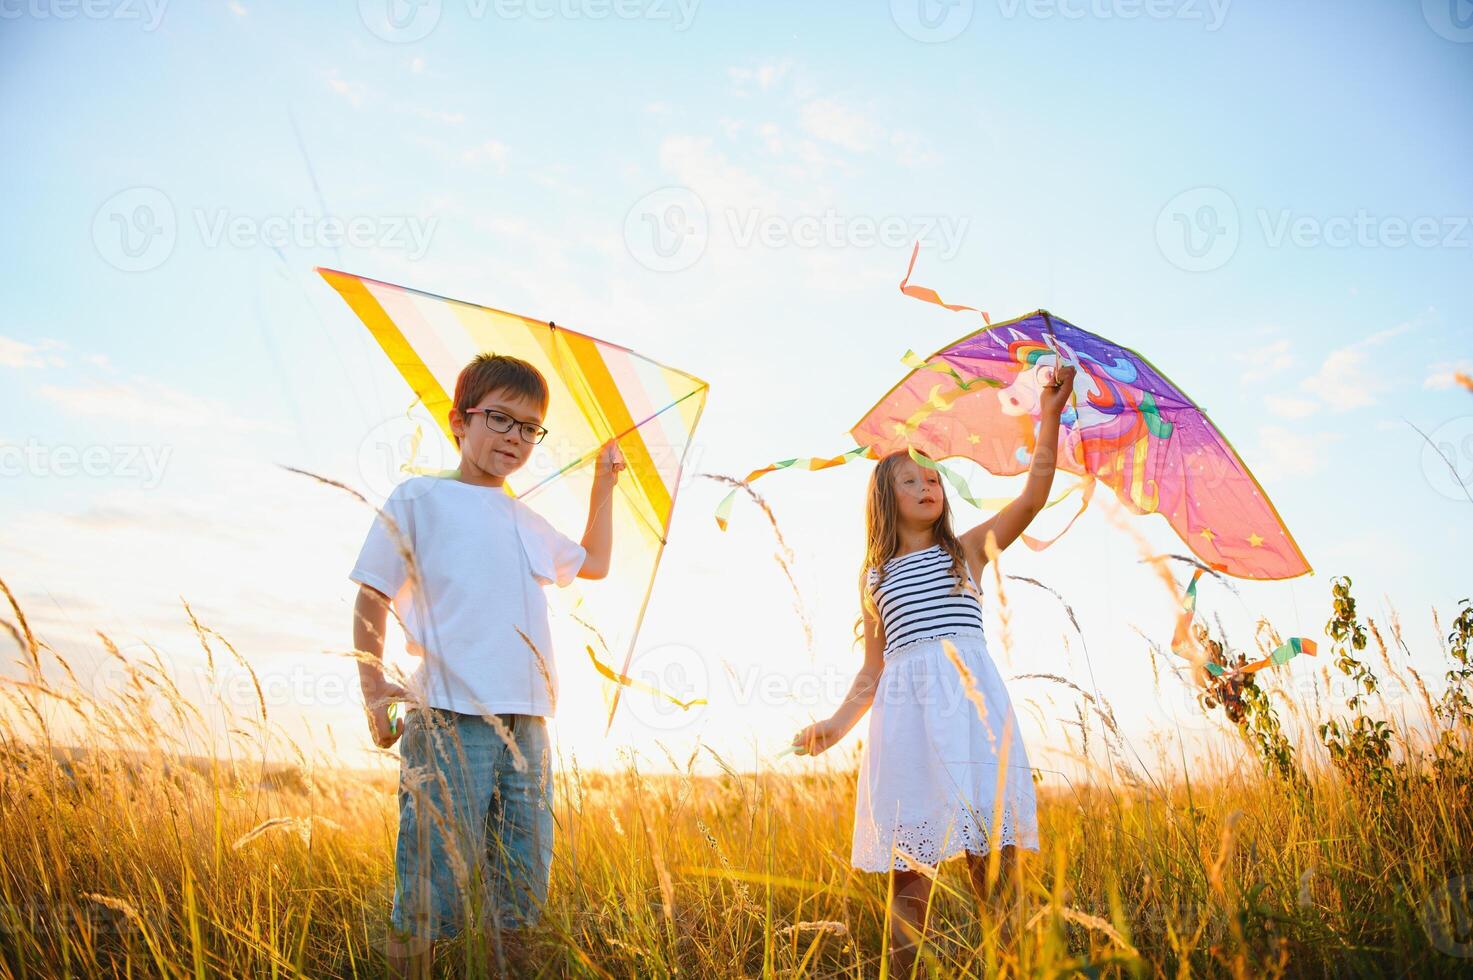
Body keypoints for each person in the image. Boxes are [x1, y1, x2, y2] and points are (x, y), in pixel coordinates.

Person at [792, 364, 1077, 976]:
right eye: (911, 480)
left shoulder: (968, 551)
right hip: (907, 732)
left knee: (992, 866)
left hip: (975, 718)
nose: (928, 487)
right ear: (883, 497)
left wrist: (1047, 416)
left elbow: (1033, 495)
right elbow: (873, 670)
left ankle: (1011, 966)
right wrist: (837, 725)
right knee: (909, 872)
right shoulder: (874, 578)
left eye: (934, 478)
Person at [350, 352, 625, 978]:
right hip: (450, 716)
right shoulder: (421, 497)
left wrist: (603, 486)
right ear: (459, 421)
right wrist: (372, 687)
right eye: (500, 419)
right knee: (429, 886)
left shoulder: (526, 519)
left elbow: (596, 563)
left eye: (531, 428)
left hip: (529, 723)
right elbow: (371, 592)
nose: (515, 438)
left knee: (522, 885)